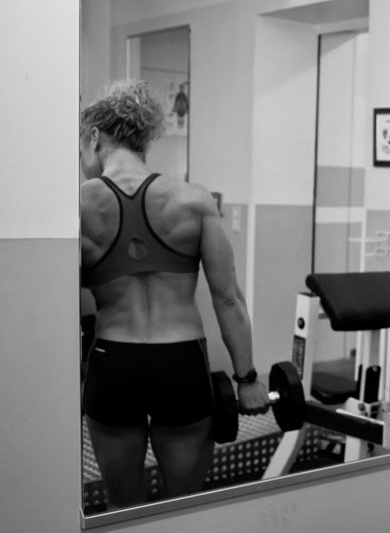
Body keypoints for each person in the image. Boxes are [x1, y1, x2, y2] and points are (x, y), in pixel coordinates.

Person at [79, 79, 269, 509]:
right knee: (183, 509)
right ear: (143, 139)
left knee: (122, 506)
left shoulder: (77, 206)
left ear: (94, 136)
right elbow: (228, 299)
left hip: (114, 363)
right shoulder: (193, 200)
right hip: (180, 364)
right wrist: (247, 380)